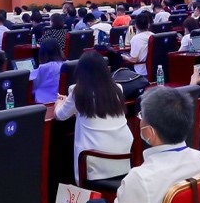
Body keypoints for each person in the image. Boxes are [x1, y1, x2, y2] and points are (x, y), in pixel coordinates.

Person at [54, 50, 132, 184]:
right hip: (124, 161)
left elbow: (59, 116)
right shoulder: (117, 88)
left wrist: (60, 102)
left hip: (95, 168)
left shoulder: (78, 93)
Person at [31, 38, 65, 104]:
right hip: (62, 101)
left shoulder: (44, 68)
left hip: (45, 103)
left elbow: (29, 82)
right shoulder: (66, 64)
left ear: (42, 53)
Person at [122, 11, 154, 76]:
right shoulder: (153, 35)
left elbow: (134, 60)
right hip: (152, 69)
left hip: (140, 71)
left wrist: (125, 57)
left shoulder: (136, 39)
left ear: (135, 26)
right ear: (148, 25)